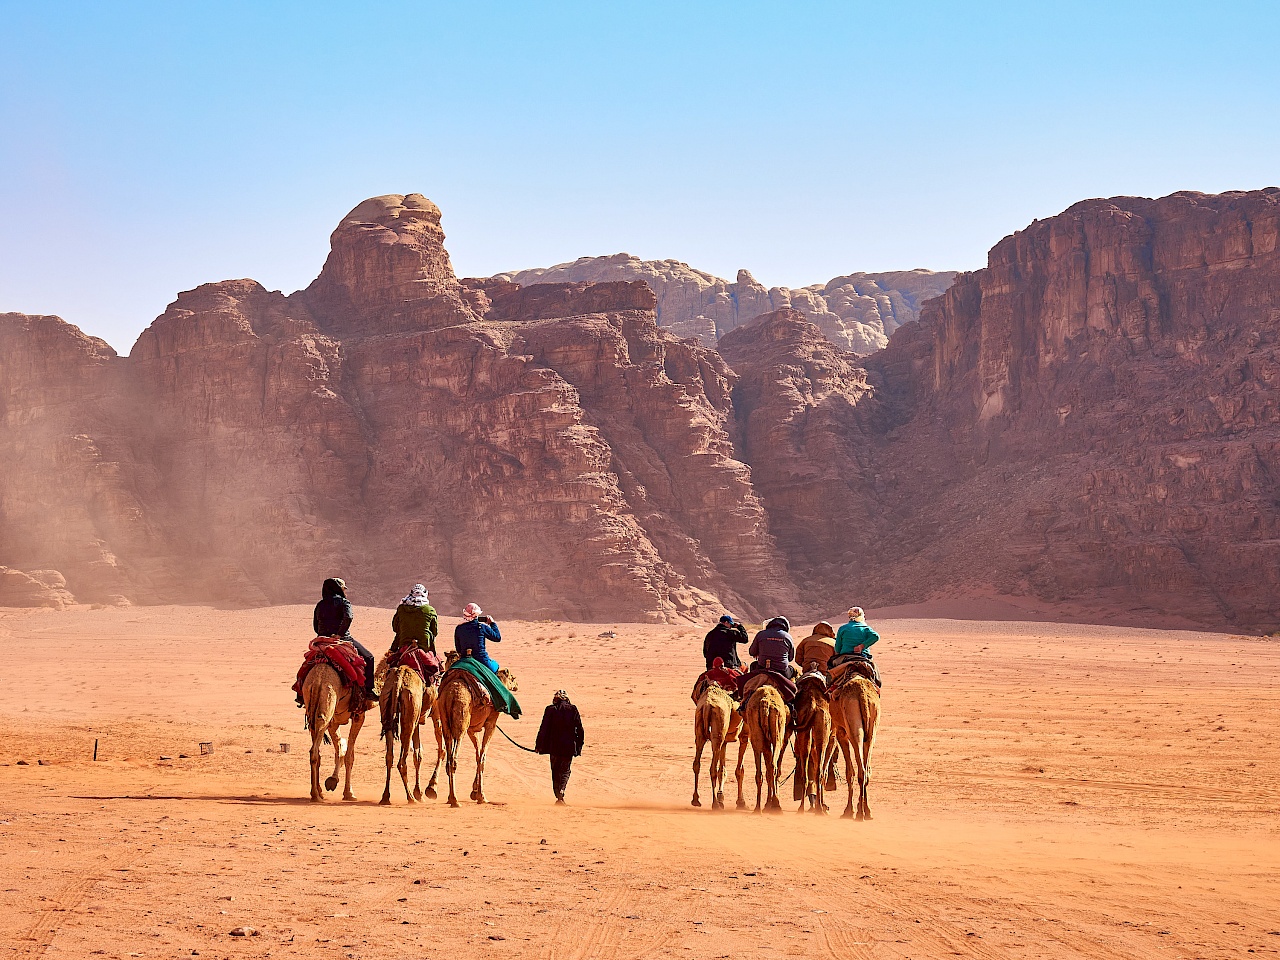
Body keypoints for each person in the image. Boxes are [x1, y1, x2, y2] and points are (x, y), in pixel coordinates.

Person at [312, 577, 378, 701]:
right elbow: (348, 617)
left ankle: (300, 695)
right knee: (369, 657)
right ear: (339, 589)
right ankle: (369, 691)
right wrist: (338, 634)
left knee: (308, 663)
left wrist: (324, 635)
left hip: (322, 641)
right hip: (342, 639)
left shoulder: (320, 604)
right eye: (343, 588)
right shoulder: (344, 602)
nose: (344, 591)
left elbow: (315, 625)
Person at [535, 689, 585, 804]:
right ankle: (562, 791)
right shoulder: (572, 709)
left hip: (554, 748)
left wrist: (539, 745)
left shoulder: (550, 709)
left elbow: (543, 729)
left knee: (555, 771)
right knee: (565, 771)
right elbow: (580, 730)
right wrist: (579, 746)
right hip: (568, 747)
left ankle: (558, 795)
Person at [832, 606, 881, 686]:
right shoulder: (865, 628)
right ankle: (877, 688)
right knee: (875, 674)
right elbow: (876, 636)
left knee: (831, 671)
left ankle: (830, 690)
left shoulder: (843, 628)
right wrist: (862, 646)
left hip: (845, 657)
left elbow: (837, 648)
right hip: (863, 657)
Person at [453, 602, 501, 672]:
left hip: (464, 660)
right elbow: (497, 637)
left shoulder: (459, 628)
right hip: (482, 660)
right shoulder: (481, 627)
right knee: (495, 666)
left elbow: (458, 649)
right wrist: (492, 623)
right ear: (476, 615)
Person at [391, 583, 438, 654]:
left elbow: (395, 628)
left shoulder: (401, 608)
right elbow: (434, 632)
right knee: (435, 661)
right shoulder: (430, 610)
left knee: (389, 660)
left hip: (403, 643)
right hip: (424, 645)